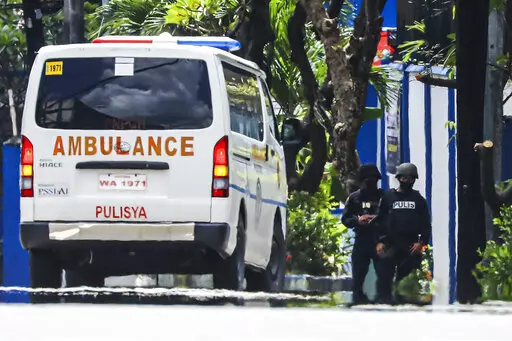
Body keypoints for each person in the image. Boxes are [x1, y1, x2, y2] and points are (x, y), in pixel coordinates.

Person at [374, 162, 432, 304]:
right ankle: (384, 302)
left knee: (405, 278)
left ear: (414, 180)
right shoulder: (388, 197)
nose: (406, 181)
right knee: (384, 274)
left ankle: (403, 302)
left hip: (410, 244)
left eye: (410, 179)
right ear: (398, 178)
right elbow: (379, 221)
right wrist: (380, 241)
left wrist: (421, 242)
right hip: (390, 242)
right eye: (404, 178)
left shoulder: (419, 200)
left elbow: (425, 223)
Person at [342, 164, 384, 305]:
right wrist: (358, 220)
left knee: (384, 275)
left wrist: (377, 219)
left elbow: (392, 217)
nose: (371, 182)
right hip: (362, 240)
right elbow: (345, 219)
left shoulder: (384, 197)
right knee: (358, 275)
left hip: (380, 240)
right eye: (368, 180)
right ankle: (358, 300)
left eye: (374, 180)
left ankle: (383, 299)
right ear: (362, 180)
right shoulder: (354, 198)